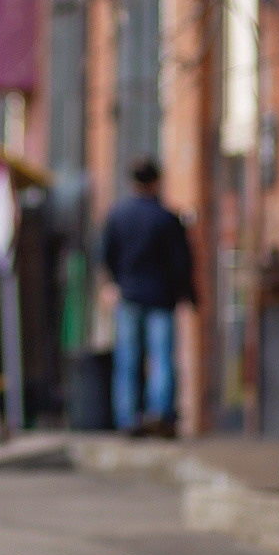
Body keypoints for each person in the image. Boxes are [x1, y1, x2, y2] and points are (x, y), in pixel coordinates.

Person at [99, 157, 195, 437]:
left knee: (127, 360)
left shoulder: (117, 215)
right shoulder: (166, 218)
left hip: (128, 296)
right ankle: (159, 415)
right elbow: (181, 263)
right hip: (161, 299)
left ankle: (127, 418)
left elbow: (106, 255)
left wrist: (112, 285)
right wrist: (187, 294)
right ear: (156, 182)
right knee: (162, 358)